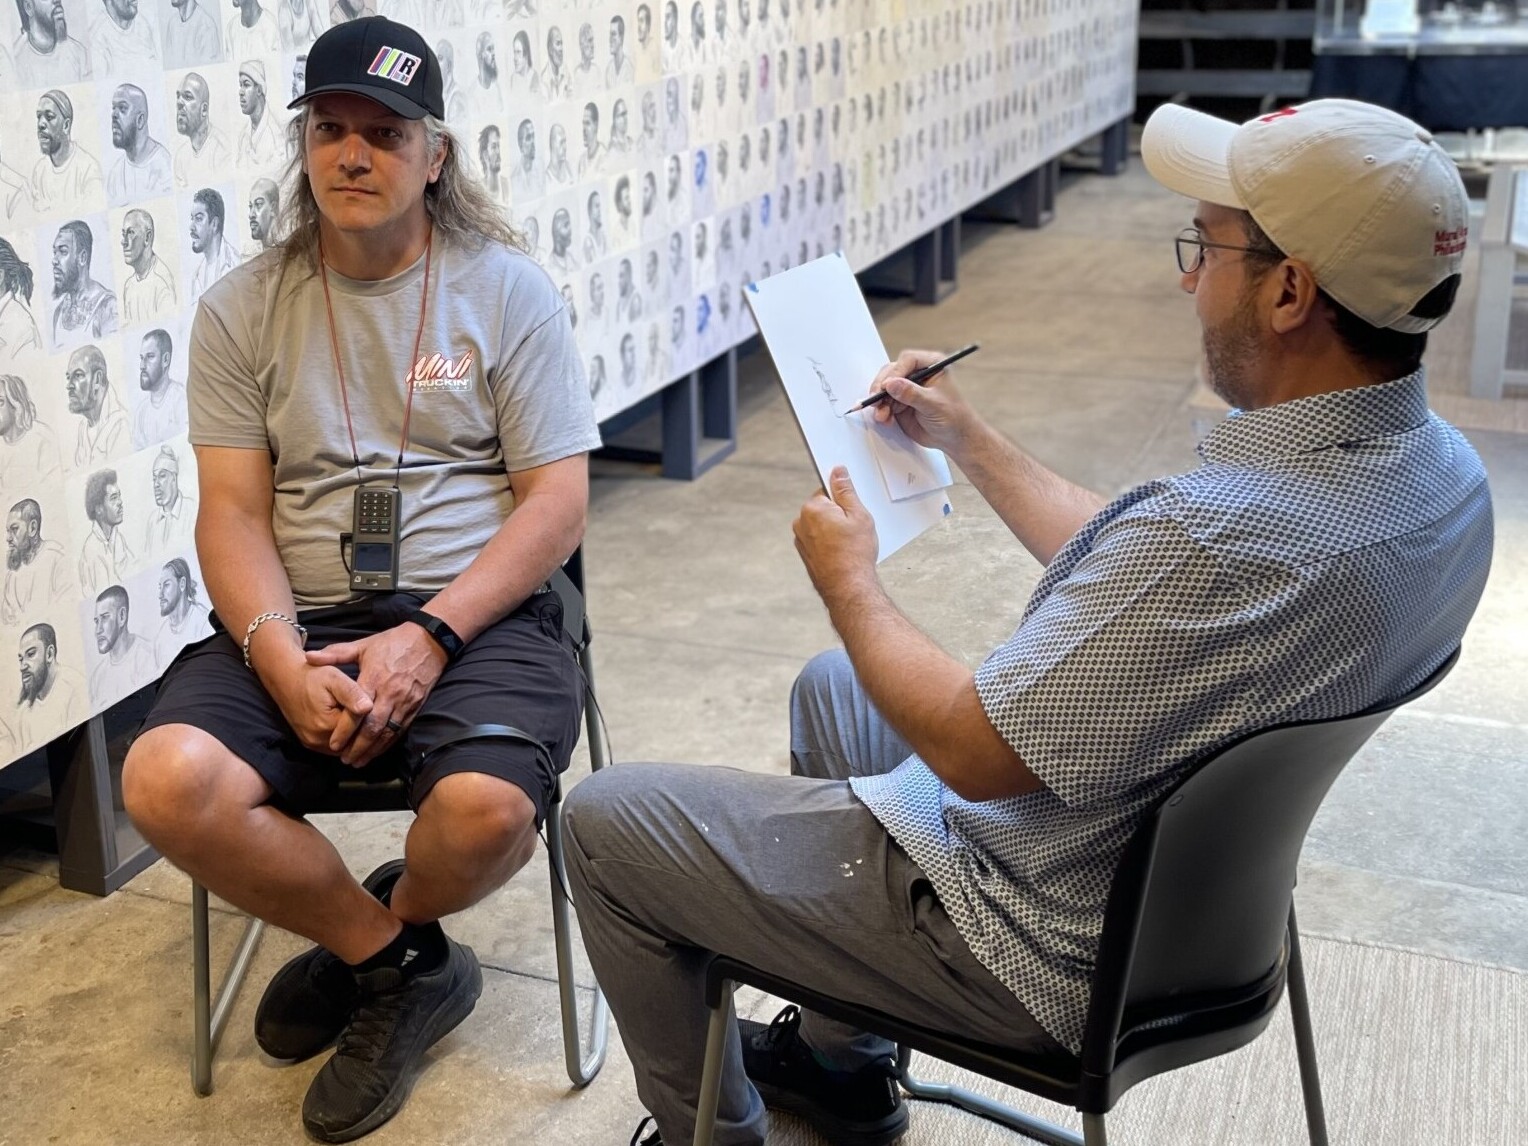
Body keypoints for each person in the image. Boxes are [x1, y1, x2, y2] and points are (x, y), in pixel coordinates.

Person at [561, 99, 1496, 1146]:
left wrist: (851, 579)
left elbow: (972, 750)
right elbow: (1144, 571)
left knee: (606, 823)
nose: (1189, 278)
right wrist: (969, 439)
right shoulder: (1445, 488)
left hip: (1040, 945)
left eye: (1208, 246)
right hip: (1206, 916)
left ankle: (715, 1137)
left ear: (1289, 293)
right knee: (838, 686)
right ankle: (840, 1069)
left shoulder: (1216, 542)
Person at [121, 17, 599, 1145]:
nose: (351, 154)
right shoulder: (244, 305)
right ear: (303, 147)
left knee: (484, 815)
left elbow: (557, 503)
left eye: (383, 134)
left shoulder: (506, 293)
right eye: (329, 130)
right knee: (163, 781)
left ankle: (382, 926)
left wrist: (431, 634)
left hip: (480, 613)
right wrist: (280, 659)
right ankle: (400, 964)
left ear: (436, 154)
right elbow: (232, 512)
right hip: (305, 617)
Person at [3, 499, 71, 625]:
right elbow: (7, 621)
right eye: (8, 531)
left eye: (14, 529)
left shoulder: (57, 559)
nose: (8, 538)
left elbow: (65, 612)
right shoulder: (12, 576)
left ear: (32, 528)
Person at [32, 91, 104, 211]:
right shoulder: (39, 171)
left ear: (66, 125)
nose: (41, 124)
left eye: (49, 117)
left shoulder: (88, 169)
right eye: (39, 117)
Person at [107, 84, 174, 202]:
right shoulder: (115, 174)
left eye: (122, 108)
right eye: (113, 108)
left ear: (140, 120)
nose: (114, 115)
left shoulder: (165, 167)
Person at [133, 328, 188, 447]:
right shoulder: (141, 412)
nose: (142, 365)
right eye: (141, 358)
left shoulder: (181, 400)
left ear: (165, 360)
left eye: (150, 357)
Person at [187, 188, 241, 305]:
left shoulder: (237, 265)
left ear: (215, 224)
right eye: (192, 218)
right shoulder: (196, 277)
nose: (191, 227)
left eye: (199, 218)